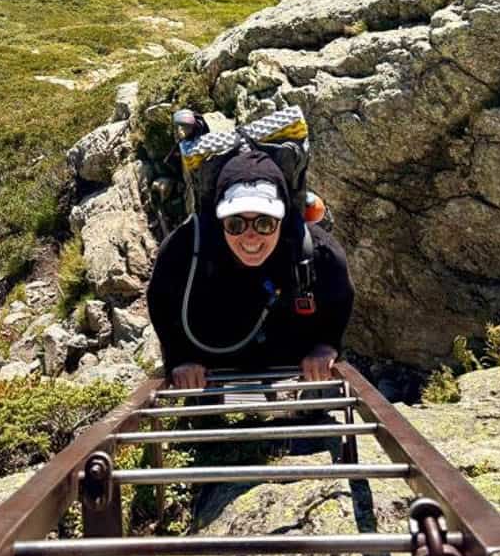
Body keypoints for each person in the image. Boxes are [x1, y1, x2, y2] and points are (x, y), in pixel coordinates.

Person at [147, 149, 354, 389]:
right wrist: (180, 358)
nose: (251, 236)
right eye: (235, 223)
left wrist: (326, 347)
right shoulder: (182, 250)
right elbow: (161, 302)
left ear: (283, 219)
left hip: (289, 359)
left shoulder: (321, 254)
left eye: (264, 222)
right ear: (219, 221)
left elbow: (340, 302)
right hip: (210, 363)